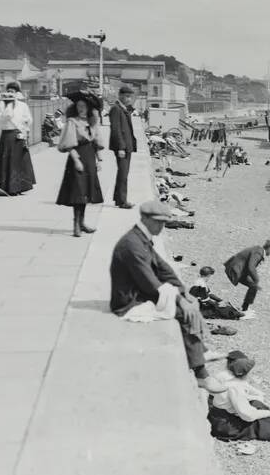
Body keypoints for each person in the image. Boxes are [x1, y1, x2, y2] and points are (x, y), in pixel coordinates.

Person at [109, 201, 226, 393]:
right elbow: (149, 282)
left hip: (138, 290)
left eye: (164, 222)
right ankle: (201, 374)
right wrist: (180, 301)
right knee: (183, 312)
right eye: (158, 222)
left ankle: (201, 351)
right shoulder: (132, 245)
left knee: (190, 302)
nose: (162, 226)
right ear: (145, 219)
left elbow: (163, 268)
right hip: (128, 299)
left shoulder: (141, 237)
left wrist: (183, 291)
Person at [208, 351, 270, 441]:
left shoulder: (226, 376)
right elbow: (247, 415)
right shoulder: (235, 386)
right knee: (261, 424)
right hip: (225, 426)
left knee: (256, 406)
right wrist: (268, 413)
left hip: (217, 415)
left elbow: (247, 389)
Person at [56, 93, 104, 237]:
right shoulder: (72, 122)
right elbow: (68, 144)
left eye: (83, 106)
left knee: (86, 192)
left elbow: (95, 142)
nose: (81, 109)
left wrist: (98, 160)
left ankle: (82, 223)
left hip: (89, 157)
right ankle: (76, 225)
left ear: (89, 108)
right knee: (78, 192)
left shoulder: (91, 122)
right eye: (78, 106)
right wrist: (76, 160)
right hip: (77, 157)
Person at [0, 81, 36, 195]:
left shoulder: (23, 105)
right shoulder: (3, 104)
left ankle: (19, 186)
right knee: (6, 160)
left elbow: (29, 119)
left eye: (12, 91)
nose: (10, 93)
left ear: (17, 93)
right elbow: (4, 118)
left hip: (19, 134)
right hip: (7, 134)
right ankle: (7, 187)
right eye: (8, 91)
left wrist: (25, 127)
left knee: (18, 161)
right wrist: (8, 105)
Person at [223, 240, 270, 314]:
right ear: (269, 248)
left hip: (237, 269)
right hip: (235, 269)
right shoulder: (258, 252)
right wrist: (256, 279)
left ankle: (245, 308)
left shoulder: (258, 250)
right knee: (254, 286)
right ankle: (245, 310)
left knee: (254, 286)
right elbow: (251, 267)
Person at [108, 86, 138, 209]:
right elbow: (116, 130)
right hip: (122, 147)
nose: (129, 99)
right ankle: (122, 201)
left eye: (130, 97)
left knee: (123, 173)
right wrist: (120, 147)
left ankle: (118, 198)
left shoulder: (123, 109)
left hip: (127, 146)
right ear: (120, 95)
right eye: (127, 96)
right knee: (123, 174)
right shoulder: (116, 109)